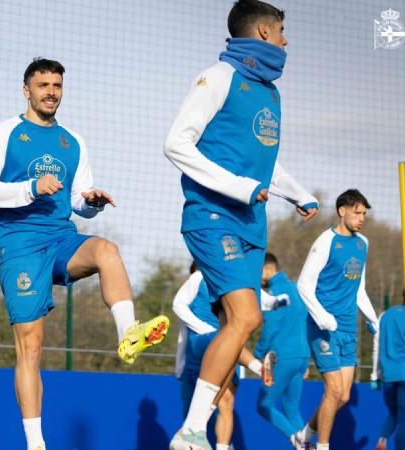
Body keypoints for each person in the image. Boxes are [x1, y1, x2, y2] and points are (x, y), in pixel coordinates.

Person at [0, 57, 170, 450]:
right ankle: (35, 443)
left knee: (107, 250)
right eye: (43, 85)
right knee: (31, 347)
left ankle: (128, 334)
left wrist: (90, 201)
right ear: (26, 89)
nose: (50, 92)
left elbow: (77, 199)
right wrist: (30, 188)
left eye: (57, 86)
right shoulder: (4, 132)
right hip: (20, 245)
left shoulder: (73, 141)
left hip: (62, 236)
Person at [164, 1, 319, 448]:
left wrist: (297, 192)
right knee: (247, 315)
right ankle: (191, 431)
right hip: (213, 217)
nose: (287, 41)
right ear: (266, 32)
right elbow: (176, 143)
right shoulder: (219, 77)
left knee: (242, 323)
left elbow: (263, 162)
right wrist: (237, 186)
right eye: (283, 31)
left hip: (252, 224)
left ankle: (195, 430)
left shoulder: (270, 93)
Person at [294, 189, 379, 450]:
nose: (361, 218)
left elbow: (359, 289)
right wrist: (322, 316)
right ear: (342, 211)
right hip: (323, 329)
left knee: (343, 396)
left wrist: (373, 318)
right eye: (357, 212)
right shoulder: (325, 241)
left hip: (348, 329)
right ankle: (322, 446)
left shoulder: (362, 243)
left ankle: (305, 434)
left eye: (364, 213)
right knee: (332, 391)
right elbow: (303, 284)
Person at [172, 263, 236, 450]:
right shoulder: (196, 284)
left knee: (223, 404)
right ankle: (188, 440)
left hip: (220, 350)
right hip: (195, 360)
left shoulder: (224, 282)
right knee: (195, 410)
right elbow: (182, 338)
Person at [251, 253, 309, 448]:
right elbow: (307, 321)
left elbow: (271, 328)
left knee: (264, 405)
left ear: (267, 270)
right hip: (301, 357)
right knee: (292, 409)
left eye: (258, 273)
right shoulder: (296, 288)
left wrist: (257, 355)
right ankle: (306, 444)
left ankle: (297, 439)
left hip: (282, 357)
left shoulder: (274, 292)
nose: (257, 278)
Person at [371, 282, 405, 450]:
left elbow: (376, 346)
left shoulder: (385, 316)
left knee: (393, 414)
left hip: (388, 374)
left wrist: (375, 375)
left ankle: (382, 438)